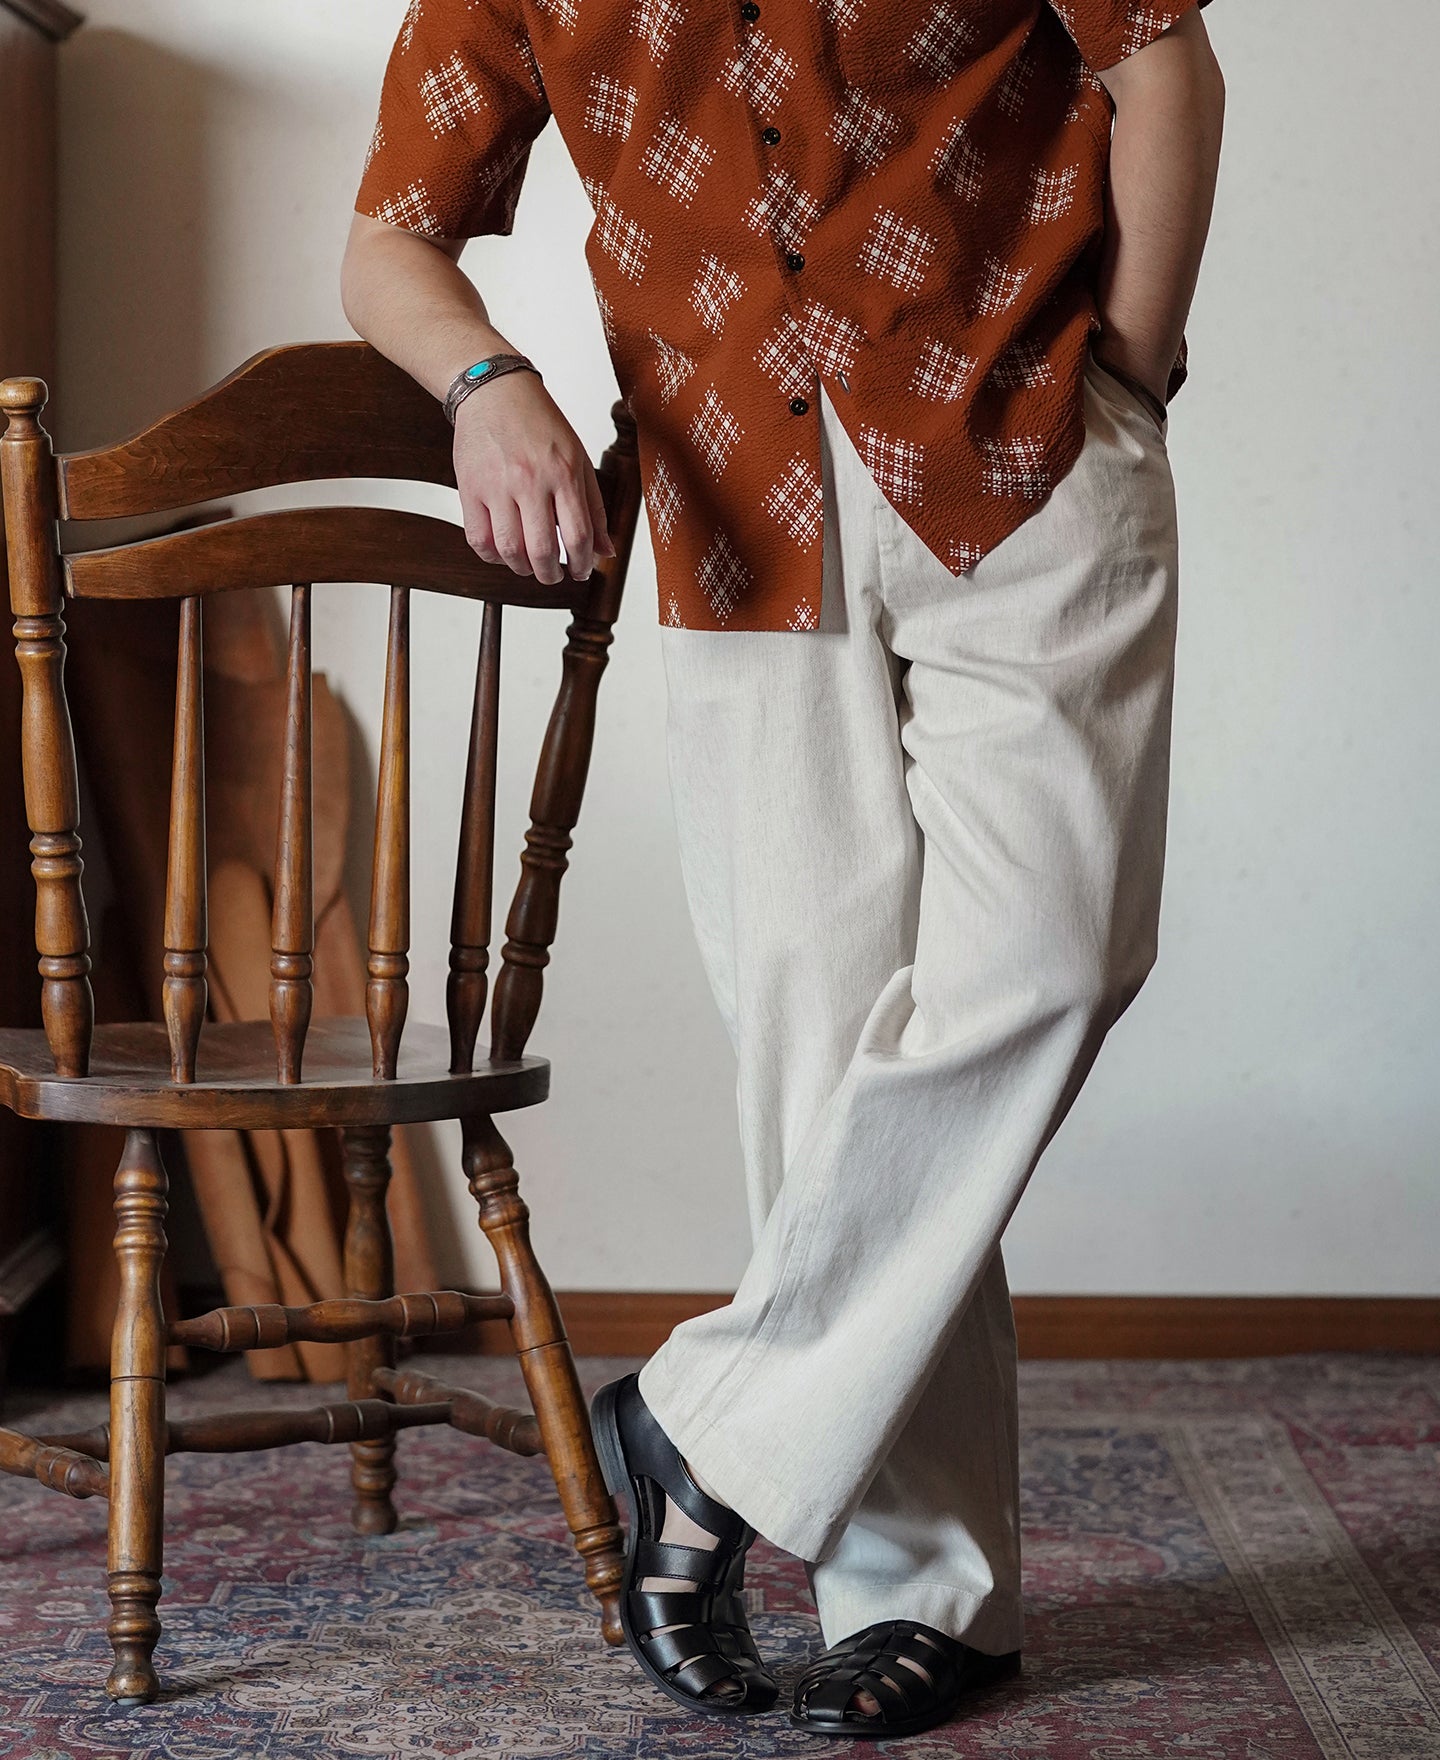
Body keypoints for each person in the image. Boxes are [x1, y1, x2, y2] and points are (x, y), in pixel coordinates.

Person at [341, 0, 1224, 1736]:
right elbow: (389, 239)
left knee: (1055, 954)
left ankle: (699, 1428)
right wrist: (488, 384)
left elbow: (1162, 62)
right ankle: (926, 1595)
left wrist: (1130, 368)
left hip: (1025, 448)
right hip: (735, 514)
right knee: (825, 1059)